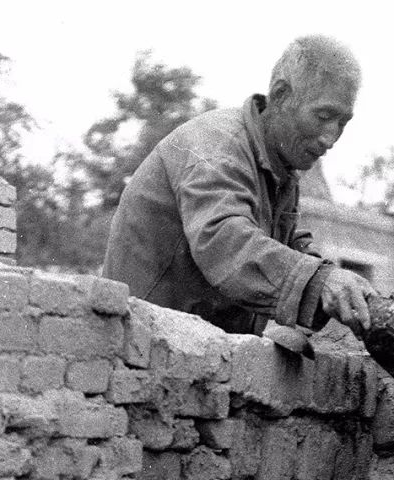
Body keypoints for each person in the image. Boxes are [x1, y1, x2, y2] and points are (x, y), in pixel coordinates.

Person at [102, 35, 377, 344]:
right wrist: (318, 281)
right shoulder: (219, 146)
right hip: (138, 347)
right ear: (281, 95)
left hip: (190, 349)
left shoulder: (280, 166)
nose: (330, 138)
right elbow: (223, 239)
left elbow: (280, 241)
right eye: (324, 116)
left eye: (343, 122)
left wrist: (334, 280)